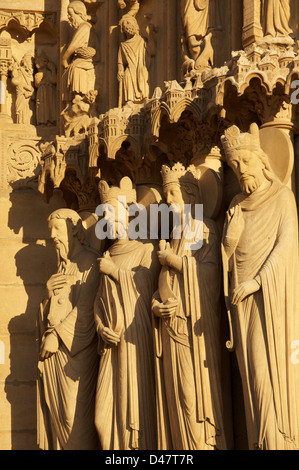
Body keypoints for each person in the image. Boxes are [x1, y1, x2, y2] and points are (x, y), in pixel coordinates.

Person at [221, 123, 299, 449]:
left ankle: (276, 442)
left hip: (272, 301)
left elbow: (286, 248)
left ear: (263, 159)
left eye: (245, 162)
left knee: (267, 376)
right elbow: (226, 258)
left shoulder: (283, 197)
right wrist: (229, 238)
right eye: (234, 166)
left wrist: (257, 281)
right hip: (245, 306)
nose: (240, 171)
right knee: (252, 377)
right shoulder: (236, 207)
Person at [152, 163, 227, 450]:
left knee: (190, 394)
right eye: (165, 193)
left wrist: (173, 261)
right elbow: (164, 282)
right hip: (171, 326)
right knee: (175, 397)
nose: (167, 200)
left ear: (191, 196)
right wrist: (156, 306)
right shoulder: (176, 234)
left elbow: (209, 273)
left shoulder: (202, 228)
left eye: (172, 193)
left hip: (193, 328)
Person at [94, 177, 159, 450]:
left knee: (134, 410)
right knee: (101, 418)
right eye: (104, 215)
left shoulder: (146, 249)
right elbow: (99, 303)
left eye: (112, 213)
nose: (108, 220)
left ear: (127, 214)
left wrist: (114, 272)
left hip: (136, 336)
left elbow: (145, 287)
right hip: (111, 344)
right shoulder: (106, 254)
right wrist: (100, 328)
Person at [37, 208, 100, 450]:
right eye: (50, 229)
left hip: (76, 354)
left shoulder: (90, 261)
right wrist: (47, 293)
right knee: (59, 419)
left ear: (74, 229)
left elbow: (86, 309)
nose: (52, 236)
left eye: (57, 229)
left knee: (74, 419)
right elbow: (50, 312)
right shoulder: (60, 269)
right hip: (56, 357)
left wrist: (55, 335)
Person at [62, 1, 97, 103]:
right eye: (68, 15)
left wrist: (64, 59)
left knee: (76, 67)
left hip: (84, 59)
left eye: (70, 15)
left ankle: (78, 95)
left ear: (79, 14)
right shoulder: (82, 28)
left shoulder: (84, 26)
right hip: (81, 58)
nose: (69, 18)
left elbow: (74, 45)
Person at [117, 15, 151, 106]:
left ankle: (145, 98)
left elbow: (151, 52)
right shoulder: (123, 45)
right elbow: (120, 61)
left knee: (143, 74)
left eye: (129, 23)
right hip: (130, 68)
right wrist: (120, 70)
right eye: (125, 26)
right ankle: (129, 101)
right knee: (127, 75)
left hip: (140, 66)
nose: (127, 26)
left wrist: (151, 34)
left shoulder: (142, 40)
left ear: (135, 25)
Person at [35, 51, 57, 126]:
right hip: (41, 91)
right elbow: (37, 84)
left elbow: (54, 80)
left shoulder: (49, 72)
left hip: (50, 91)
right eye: (36, 62)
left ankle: (50, 122)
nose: (37, 63)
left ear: (45, 62)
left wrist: (53, 70)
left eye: (39, 61)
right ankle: (42, 122)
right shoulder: (38, 74)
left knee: (49, 105)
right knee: (41, 106)